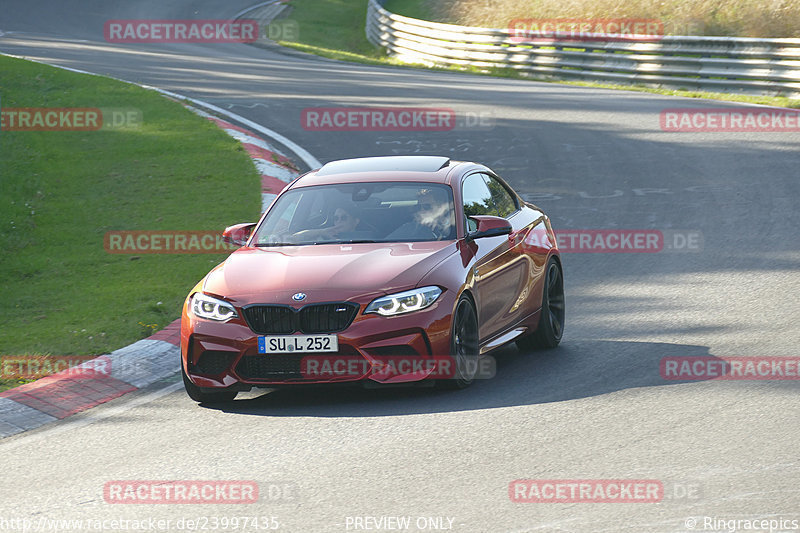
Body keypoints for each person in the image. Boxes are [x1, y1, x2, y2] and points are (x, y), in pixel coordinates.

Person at [386, 188, 455, 241]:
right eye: (418, 207)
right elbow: (389, 242)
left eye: (427, 206)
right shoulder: (410, 228)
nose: (422, 210)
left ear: (440, 207)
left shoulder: (455, 224)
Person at [292, 204, 371, 243]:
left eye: (343, 218)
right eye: (336, 218)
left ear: (356, 221)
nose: (339, 221)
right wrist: (321, 232)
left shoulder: (369, 239)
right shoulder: (325, 237)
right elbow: (293, 239)